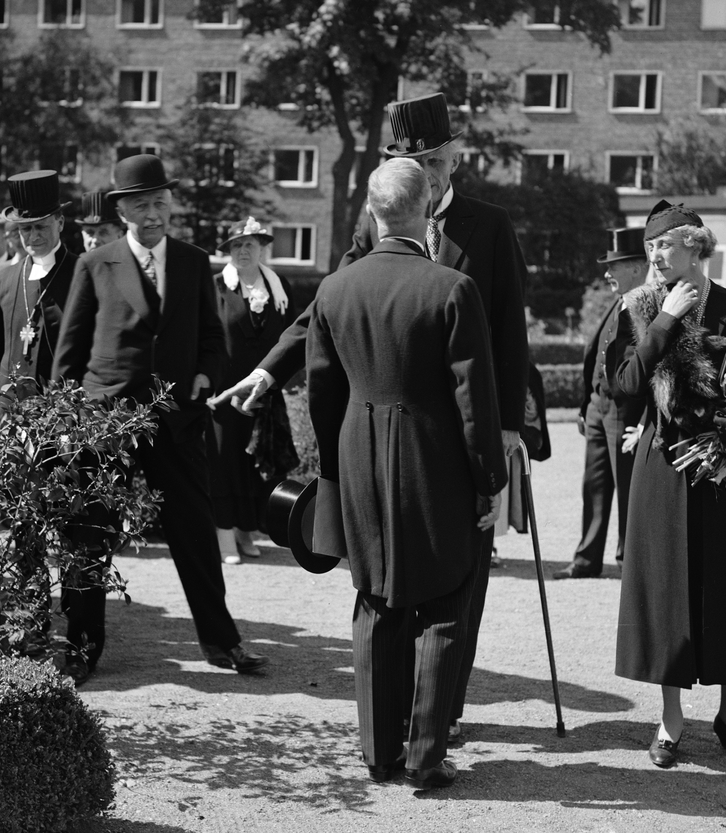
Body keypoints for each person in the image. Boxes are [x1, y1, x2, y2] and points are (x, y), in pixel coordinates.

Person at [211, 91, 529, 741]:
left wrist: (508, 432)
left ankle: (441, 711)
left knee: (457, 579)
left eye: (432, 163)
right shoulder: (373, 221)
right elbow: (328, 308)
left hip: (463, 435)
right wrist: (270, 369)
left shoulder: (490, 227)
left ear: (453, 160)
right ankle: (398, 715)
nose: (422, 175)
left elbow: (510, 338)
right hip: (390, 442)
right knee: (387, 577)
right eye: (405, 160)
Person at [306, 158, 506, 788]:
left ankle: (377, 752)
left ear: (372, 211)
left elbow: (319, 392)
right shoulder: (451, 287)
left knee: (375, 598)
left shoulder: (334, 289)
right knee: (445, 600)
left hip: (360, 454)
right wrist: (489, 483)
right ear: (428, 208)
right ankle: (424, 753)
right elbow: (476, 402)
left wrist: (338, 471)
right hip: (433, 462)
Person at [52, 154, 268, 675]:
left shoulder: (194, 262)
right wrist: (67, 421)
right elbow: (69, 353)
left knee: (195, 532)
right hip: (106, 427)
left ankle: (223, 642)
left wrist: (205, 374)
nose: (153, 213)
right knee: (90, 536)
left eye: (160, 202)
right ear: (122, 209)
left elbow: (213, 340)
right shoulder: (94, 264)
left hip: (176, 421)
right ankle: (82, 649)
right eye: (142, 204)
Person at [611, 200, 726, 769]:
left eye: (666, 245)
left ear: (696, 246)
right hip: (664, 470)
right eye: (651, 247)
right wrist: (666, 319)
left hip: (725, 470)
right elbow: (626, 388)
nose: (656, 256)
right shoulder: (637, 309)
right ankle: (670, 718)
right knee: (667, 593)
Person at [0, 172, 100, 681]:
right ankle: (29, 633)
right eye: (24, 229)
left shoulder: (84, 273)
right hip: (15, 435)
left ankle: (82, 645)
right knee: (25, 540)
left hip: (70, 434)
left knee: (78, 541)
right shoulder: (4, 278)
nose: (32, 237)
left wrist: (81, 422)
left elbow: (96, 356)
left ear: (60, 221)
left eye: (41, 226)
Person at [554, 227, 649, 580]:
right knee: (593, 485)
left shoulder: (648, 307)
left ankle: (629, 563)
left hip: (624, 412)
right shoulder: (620, 300)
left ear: (639, 268)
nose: (607, 273)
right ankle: (586, 560)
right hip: (597, 408)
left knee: (627, 488)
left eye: (615, 265)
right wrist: (585, 406)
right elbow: (598, 355)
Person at [207, 216, 298, 565]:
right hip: (224, 394)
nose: (243, 251)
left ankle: (246, 529)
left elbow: (291, 339)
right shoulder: (215, 286)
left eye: (250, 244)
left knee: (255, 466)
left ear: (262, 248)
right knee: (223, 465)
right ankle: (224, 532)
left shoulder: (280, 288)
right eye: (236, 245)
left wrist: (273, 385)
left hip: (265, 395)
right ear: (228, 251)